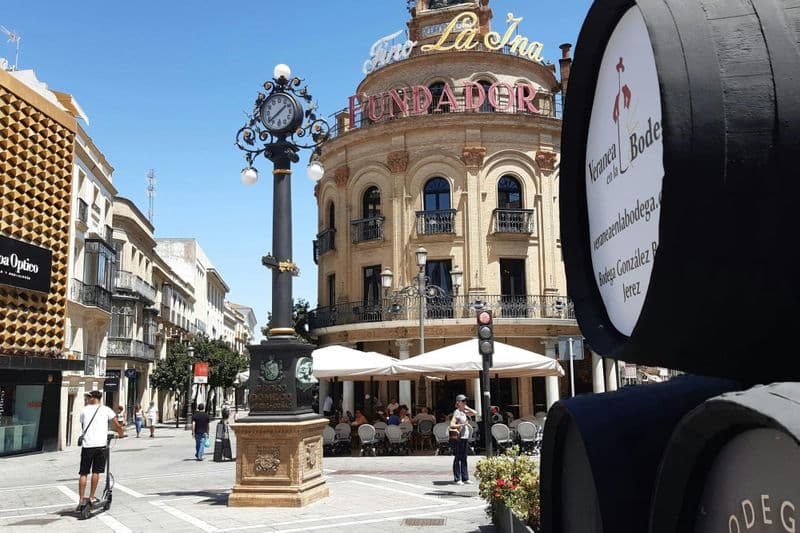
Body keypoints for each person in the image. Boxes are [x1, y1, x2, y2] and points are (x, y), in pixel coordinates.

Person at [77, 391, 124, 510]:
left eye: (89, 397)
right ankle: (91, 496)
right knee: (96, 472)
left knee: (83, 473)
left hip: (87, 445)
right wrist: (121, 434)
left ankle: (81, 499)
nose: (88, 399)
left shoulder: (84, 410)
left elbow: (83, 425)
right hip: (100, 446)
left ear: (94, 398)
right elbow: (117, 425)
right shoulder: (106, 410)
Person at [450, 394, 477, 485]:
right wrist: (462, 425)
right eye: (463, 401)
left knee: (464, 458)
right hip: (459, 437)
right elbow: (452, 424)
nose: (465, 402)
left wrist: (467, 408)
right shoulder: (457, 412)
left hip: (465, 437)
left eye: (465, 401)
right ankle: (457, 478)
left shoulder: (464, 412)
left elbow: (475, 413)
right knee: (458, 457)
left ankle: (465, 478)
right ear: (459, 402)